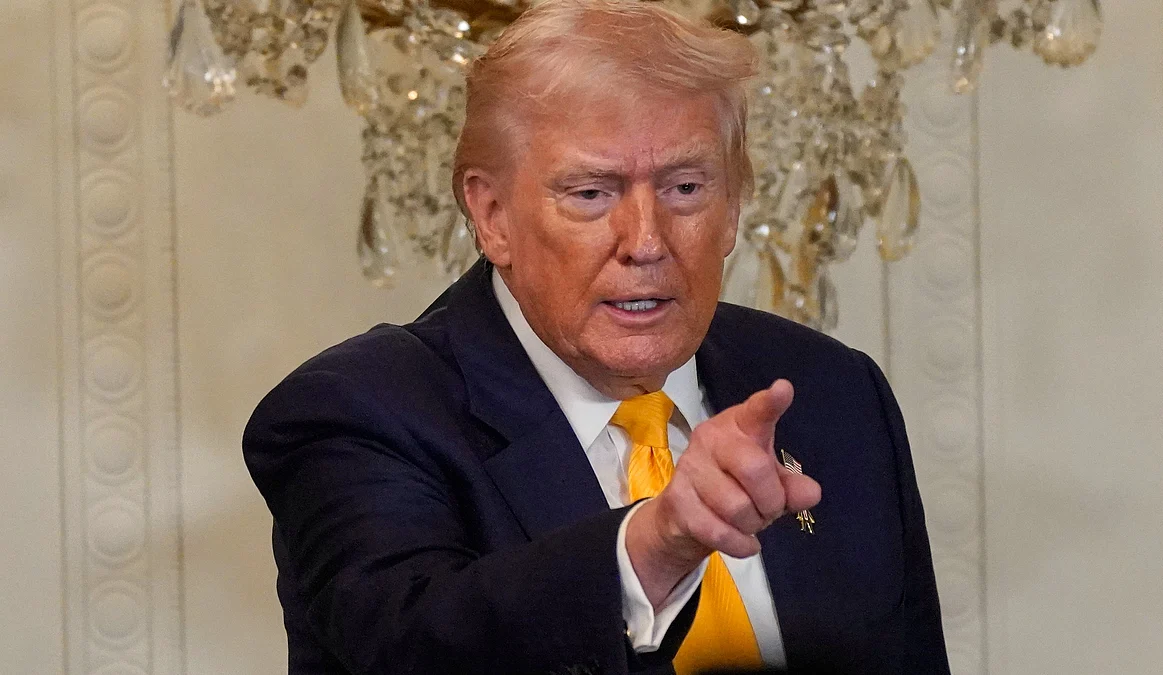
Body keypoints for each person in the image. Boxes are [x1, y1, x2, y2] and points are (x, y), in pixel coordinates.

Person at [243, 0, 951, 673]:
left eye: (684, 188)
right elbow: (416, 648)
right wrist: (655, 547)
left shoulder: (835, 390)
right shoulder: (357, 411)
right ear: (491, 216)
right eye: (591, 194)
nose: (646, 242)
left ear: (734, 205)